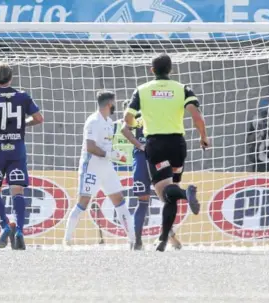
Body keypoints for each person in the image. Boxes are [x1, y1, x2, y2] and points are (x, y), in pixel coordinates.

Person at [124, 54, 209, 252]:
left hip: (156, 143)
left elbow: (127, 118)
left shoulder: (142, 90)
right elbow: (196, 115)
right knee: (169, 195)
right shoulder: (182, 88)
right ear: (170, 70)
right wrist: (203, 136)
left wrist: (137, 123)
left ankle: (185, 194)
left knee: (166, 191)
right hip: (178, 144)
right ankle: (163, 239)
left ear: (152, 70)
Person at [0, 63, 43, 250]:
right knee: (18, 191)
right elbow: (39, 118)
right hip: (16, 150)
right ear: (11, 77)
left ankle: (5, 226)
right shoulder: (23, 96)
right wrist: (22, 125)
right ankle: (20, 231)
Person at [63, 91, 136, 248]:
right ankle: (67, 240)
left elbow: (106, 146)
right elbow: (90, 147)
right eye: (114, 102)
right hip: (92, 168)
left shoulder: (109, 121)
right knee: (83, 202)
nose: (115, 105)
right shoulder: (93, 121)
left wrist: (115, 154)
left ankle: (133, 240)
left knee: (119, 200)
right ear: (110, 103)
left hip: (107, 168)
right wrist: (109, 153)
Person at [120, 100, 182, 250]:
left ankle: (137, 243)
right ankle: (169, 237)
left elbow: (124, 129)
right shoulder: (153, 114)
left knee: (142, 203)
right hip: (158, 159)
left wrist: (139, 144)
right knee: (167, 200)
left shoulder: (132, 119)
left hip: (141, 160)